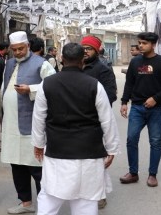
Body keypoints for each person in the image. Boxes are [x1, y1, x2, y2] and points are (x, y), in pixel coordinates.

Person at [32, 43, 119, 215]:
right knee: (85, 202)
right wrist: (111, 149)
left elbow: (39, 118)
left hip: (58, 150)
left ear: (61, 59)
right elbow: (107, 121)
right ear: (82, 61)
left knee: (49, 198)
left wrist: (38, 144)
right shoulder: (95, 85)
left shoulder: (46, 84)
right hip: (89, 152)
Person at [0, 31, 56, 214]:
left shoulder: (42, 64)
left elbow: (54, 86)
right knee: (16, 165)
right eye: (14, 50)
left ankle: (45, 206)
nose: (17, 53)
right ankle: (25, 203)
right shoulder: (9, 64)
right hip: (10, 125)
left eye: (20, 49)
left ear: (28, 46)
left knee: (36, 167)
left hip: (32, 125)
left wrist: (31, 89)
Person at [120, 32, 161, 188]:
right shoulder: (135, 62)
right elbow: (129, 83)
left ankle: (152, 174)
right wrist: (124, 101)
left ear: (153, 45)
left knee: (155, 142)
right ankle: (133, 173)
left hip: (157, 109)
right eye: (139, 42)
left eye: (144, 43)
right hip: (137, 108)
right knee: (131, 139)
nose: (140, 45)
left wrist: (156, 98)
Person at [81, 36, 117, 105]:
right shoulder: (77, 67)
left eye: (89, 49)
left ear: (96, 51)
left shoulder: (104, 70)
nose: (85, 51)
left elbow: (110, 95)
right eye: (83, 48)